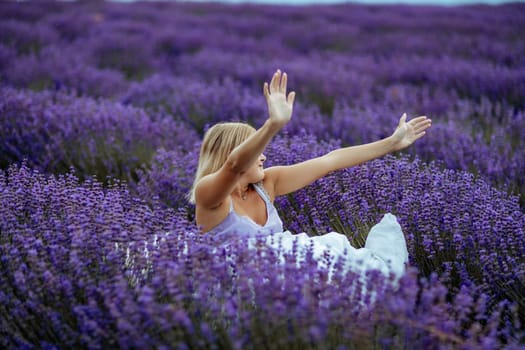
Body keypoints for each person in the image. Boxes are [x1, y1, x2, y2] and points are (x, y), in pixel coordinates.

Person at [189, 69, 432, 281]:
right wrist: (273, 125)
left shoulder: (267, 184)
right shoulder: (209, 197)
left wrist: (391, 143)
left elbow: (330, 161)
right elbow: (233, 166)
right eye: (258, 150)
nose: (263, 156)